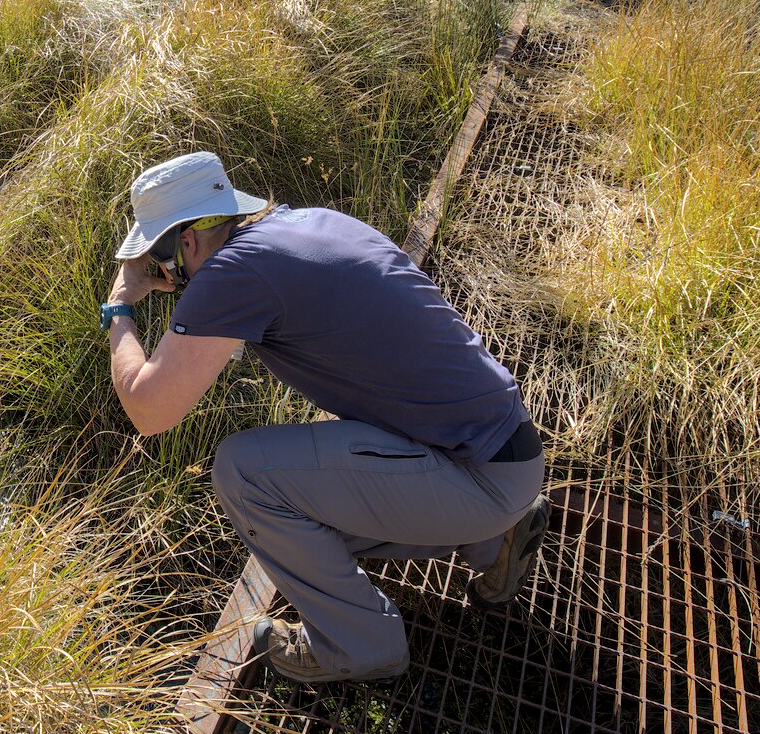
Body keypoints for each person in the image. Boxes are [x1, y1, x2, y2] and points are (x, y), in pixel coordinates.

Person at [100, 151, 550, 685]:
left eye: (160, 258)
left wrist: (121, 307)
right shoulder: (307, 222)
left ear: (188, 242)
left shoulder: (230, 273)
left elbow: (148, 409)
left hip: (477, 479)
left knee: (245, 475)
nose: (164, 273)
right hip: (507, 450)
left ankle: (361, 646)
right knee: (305, 501)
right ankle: (496, 541)